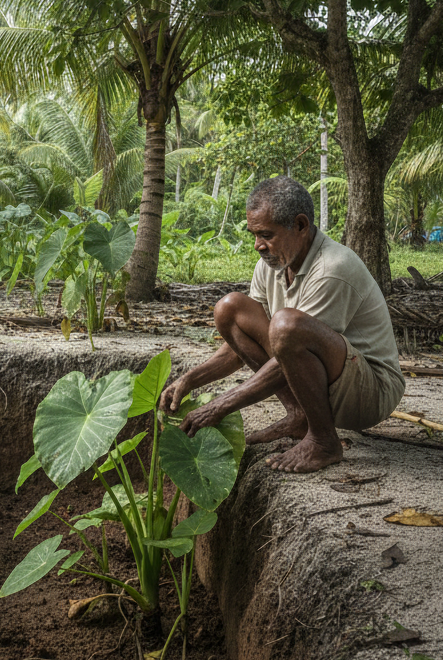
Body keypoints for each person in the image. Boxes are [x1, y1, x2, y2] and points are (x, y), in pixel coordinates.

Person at [158, 176, 405, 472]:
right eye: (254, 235)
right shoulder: (272, 263)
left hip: (370, 393)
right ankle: (300, 416)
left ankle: (324, 441)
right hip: (325, 378)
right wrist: (190, 380)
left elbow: (287, 348)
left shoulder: (332, 268)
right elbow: (245, 343)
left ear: (300, 226)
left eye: (266, 235)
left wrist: (219, 406)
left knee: (286, 325)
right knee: (230, 309)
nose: (257, 246)